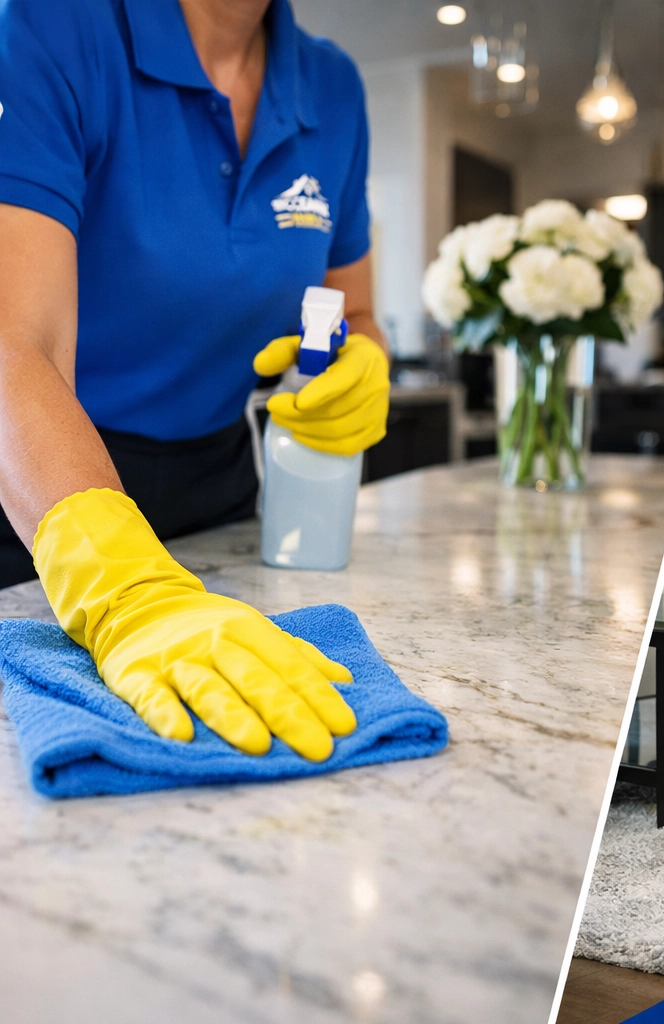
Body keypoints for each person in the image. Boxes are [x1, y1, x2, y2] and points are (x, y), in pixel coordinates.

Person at [0, 0, 392, 760]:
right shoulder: (52, 26)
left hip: (219, 502)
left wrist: (361, 359)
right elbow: (16, 346)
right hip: (42, 512)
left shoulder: (333, 86)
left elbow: (356, 309)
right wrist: (128, 592)